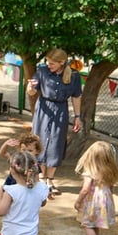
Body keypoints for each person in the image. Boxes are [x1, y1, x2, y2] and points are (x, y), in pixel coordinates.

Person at [26, 48, 83, 195]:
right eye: (47, 62)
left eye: (52, 63)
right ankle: (39, 178)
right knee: (39, 143)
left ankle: (50, 180)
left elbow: (76, 96)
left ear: (62, 62)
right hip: (44, 109)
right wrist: (30, 88)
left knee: (56, 144)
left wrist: (78, 116)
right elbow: (32, 92)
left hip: (61, 110)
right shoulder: (42, 71)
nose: (48, 65)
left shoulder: (74, 76)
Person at [73, 141, 118, 235]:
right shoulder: (109, 171)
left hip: (93, 201)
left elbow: (85, 189)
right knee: (95, 222)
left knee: (88, 224)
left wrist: (78, 201)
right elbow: (111, 186)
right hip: (104, 200)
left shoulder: (90, 171)